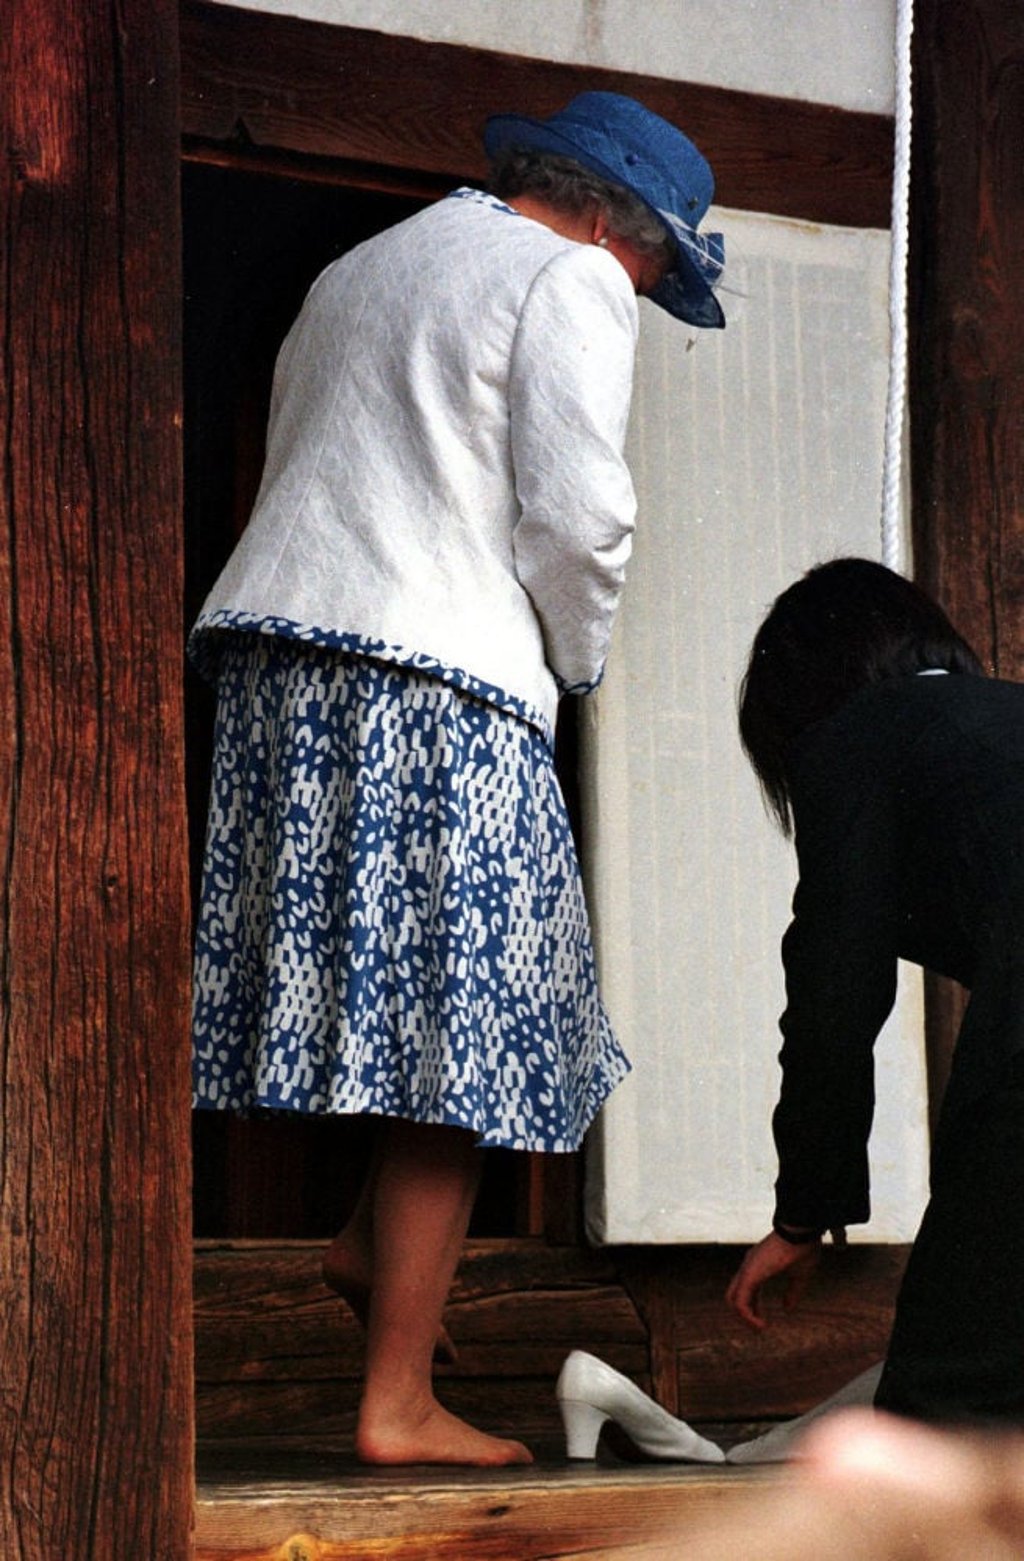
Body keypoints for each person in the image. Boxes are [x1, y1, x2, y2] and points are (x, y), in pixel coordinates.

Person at [189, 91, 725, 1467]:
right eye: (664, 259)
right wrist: (580, 659)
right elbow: (583, 513)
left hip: (287, 669)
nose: (653, 286)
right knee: (469, 1042)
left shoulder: (365, 264)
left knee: (426, 1014)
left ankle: (374, 1252)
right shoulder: (574, 279)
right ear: (622, 223)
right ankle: (395, 1402)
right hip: (441, 681)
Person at [726, 557, 1024, 1426]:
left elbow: (834, 992)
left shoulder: (854, 742)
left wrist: (801, 1213)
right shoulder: (996, 726)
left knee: (940, 1411)